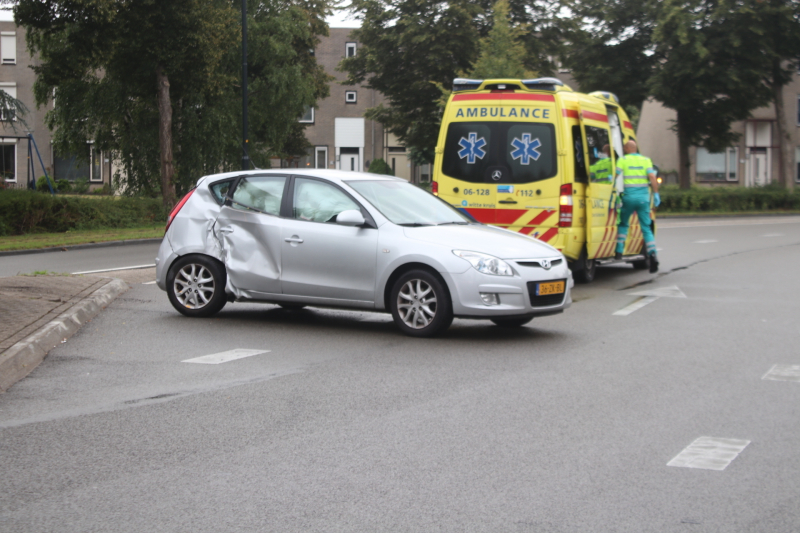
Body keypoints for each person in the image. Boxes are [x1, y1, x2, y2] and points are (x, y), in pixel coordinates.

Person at [614, 140, 660, 272]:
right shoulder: (646, 160)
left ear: (628, 148)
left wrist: (611, 190)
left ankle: (619, 251)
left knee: (623, 223)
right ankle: (652, 253)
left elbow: (615, 176)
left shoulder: (622, 160)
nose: (624, 149)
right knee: (646, 228)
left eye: (624, 148)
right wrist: (656, 193)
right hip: (643, 200)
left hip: (628, 198)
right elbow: (652, 177)